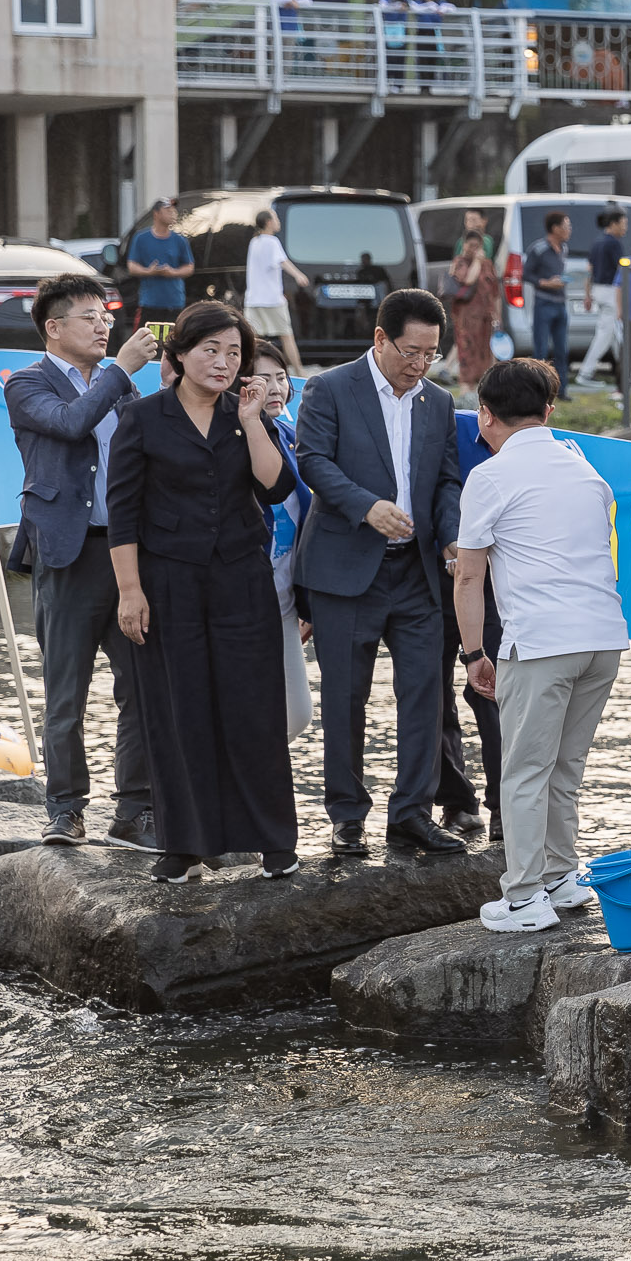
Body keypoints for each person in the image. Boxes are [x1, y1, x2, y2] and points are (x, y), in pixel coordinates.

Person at [107, 302, 301, 883]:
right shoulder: (142, 418)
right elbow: (123, 513)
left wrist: (249, 421)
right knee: (177, 709)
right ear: (180, 355)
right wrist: (129, 592)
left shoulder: (246, 415)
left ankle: (273, 841)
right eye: (210, 350)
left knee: (253, 709)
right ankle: (184, 844)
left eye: (234, 352)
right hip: (168, 583)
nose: (223, 361)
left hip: (242, 579)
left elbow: (277, 486)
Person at [454, 358, 628, 932]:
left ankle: (525, 896)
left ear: (485, 415)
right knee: (564, 767)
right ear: (549, 410)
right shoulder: (583, 468)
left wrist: (474, 652)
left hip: (542, 640)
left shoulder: (490, 476)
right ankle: (561, 876)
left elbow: (468, 576)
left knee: (524, 770)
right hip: (603, 636)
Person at [293, 288, 466, 857]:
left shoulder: (437, 402)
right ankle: (347, 816)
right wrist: (366, 506)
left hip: (416, 572)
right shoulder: (329, 388)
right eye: (411, 352)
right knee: (346, 696)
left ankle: (411, 813)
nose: (420, 365)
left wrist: (450, 537)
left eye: (431, 354)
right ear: (380, 339)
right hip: (344, 567)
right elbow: (312, 460)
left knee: (426, 693)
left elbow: (445, 479)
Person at [7, 279, 163, 849]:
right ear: (54, 326)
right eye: (91, 317)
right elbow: (71, 424)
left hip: (128, 554)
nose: (104, 327)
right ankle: (66, 808)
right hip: (65, 555)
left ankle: (135, 810)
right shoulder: (26, 383)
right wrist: (123, 370)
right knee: (66, 692)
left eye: (107, 317)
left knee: (140, 687)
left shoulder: (123, 391)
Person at [437, 398, 509, 841]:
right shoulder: (441, 419)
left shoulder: (541, 446)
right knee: (428, 691)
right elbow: (437, 488)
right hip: (423, 571)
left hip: (490, 579)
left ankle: (504, 805)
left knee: (493, 689)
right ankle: (455, 800)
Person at [252, 346, 314, 741]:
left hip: (285, 599)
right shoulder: (231, 440)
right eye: (263, 378)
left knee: (296, 715)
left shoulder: (292, 436)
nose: (275, 388)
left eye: (280, 377)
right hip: (242, 600)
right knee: (252, 706)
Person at [244, 206, 308, 374]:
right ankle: (299, 372)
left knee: (254, 338)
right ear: (269, 222)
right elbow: (282, 262)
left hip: (253, 299)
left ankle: (250, 370)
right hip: (272, 299)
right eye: (276, 219)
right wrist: (298, 275)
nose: (278, 222)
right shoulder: (272, 242)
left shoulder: (254, 242)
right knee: (286, 336)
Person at [574, 208, 631, 388]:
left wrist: (588, 294)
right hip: (610, 292)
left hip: (598, 290)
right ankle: (585, 372)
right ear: (613, 224)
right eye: (623, 224)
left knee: (616, 333)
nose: (625, 228)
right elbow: (621, 269)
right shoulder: (614, 244)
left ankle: (625, 370)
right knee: (605, 335)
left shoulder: (597, 242)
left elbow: (589, 271)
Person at [446, 214, 502, 389]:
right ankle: (465, 392)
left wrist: (498, 316)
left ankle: (482, 391)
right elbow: (468, 280)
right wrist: (476, 262)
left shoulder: (488, 264)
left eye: (477, 246)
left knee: (485, 355)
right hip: (466, 320)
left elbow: (495, 293)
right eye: (471, 246)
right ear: (464, 245)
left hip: (485, 318)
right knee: (467, 354)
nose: (474, 249)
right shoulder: (460, 263)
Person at [126, 199, 193, 330]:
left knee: (173, 340)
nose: (173, 213)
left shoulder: (179, 240)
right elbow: (132, 266)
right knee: (149, 340)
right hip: (150, 304)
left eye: (173, 210)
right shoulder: (141, 238)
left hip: (175, 303)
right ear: (156, 214)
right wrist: (149, 271)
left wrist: (173, 272)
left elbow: (189, 267)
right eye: (168, 210)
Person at [526, 210, 572, 396]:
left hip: (560, 303)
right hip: (544, 303)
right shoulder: (538, 249)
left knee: (562, 349)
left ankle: (562, 389)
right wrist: (546, 282)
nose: (569, 230)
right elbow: (526, 274)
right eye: (566, 226)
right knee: (541, 350)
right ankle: (540, 390)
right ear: (555, 228)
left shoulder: (564, 249)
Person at [412, 0, 451, 92]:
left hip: (434, 33)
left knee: (432, 59)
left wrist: (442, 9)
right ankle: (423, 87)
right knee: (422, 59)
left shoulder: (440, 2)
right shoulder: (419, 2)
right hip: (422, 32)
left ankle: (429, 86)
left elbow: (451, 7)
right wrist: (429, 7)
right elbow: (415, 8)